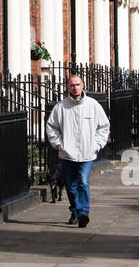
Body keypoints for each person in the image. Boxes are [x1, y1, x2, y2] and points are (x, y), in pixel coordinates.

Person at [45, 74, 110, 227]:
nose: (75, 88)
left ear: (83, 86)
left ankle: (83, 213)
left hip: (88, 153)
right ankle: (75, 211)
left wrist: (97, 144)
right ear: (68, 87)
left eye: (77, 85)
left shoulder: (93, 105)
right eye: (72, 85)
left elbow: (104, 126)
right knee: (70, 185)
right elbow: (51, 127)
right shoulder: (61, 107)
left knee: (83, 182)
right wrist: (59, 145)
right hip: (67, 154)